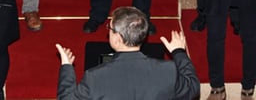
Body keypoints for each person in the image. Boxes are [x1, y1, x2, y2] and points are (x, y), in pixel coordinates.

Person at [56, 6, 200, 100]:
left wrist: (67, 67)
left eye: (110, 28)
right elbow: (193, 87)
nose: (108, 31)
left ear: (118, 39)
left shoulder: (94, 78)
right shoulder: (168, 71)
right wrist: (179, 52)